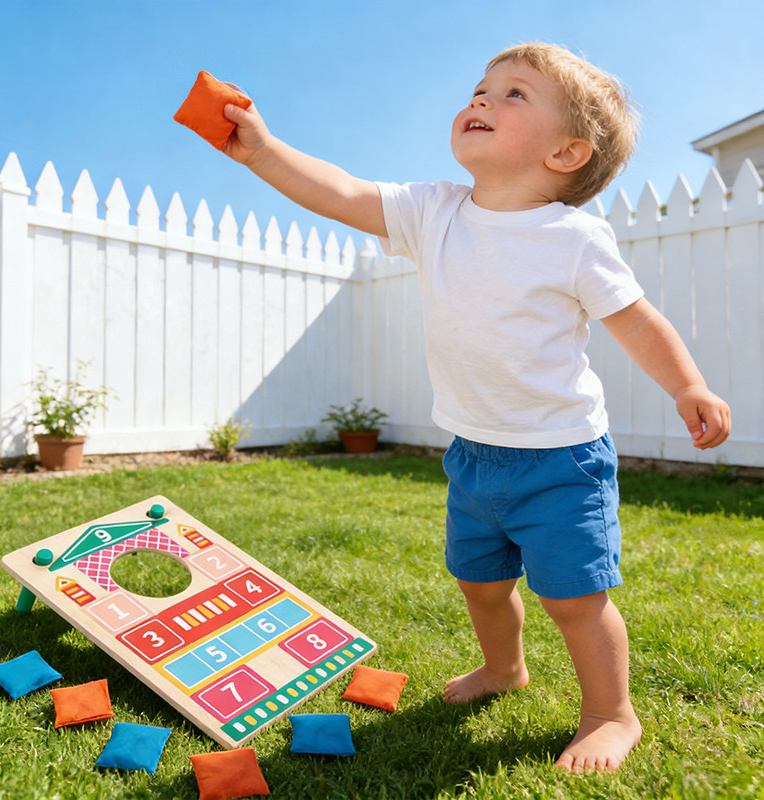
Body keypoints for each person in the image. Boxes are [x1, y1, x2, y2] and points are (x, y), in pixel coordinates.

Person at [219, 42, 731, 773]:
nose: (483, 100)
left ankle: (610, 713)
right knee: (481, 584)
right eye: (482, 89)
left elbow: (639, 321)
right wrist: (264, 151)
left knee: (575, 601)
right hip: (473, 455)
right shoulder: (435, 212)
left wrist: (688, 386)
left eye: (514, 94)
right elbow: (341, 191)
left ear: (566, 152)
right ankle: (502, 668)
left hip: (561, 459)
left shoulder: (574, 239)